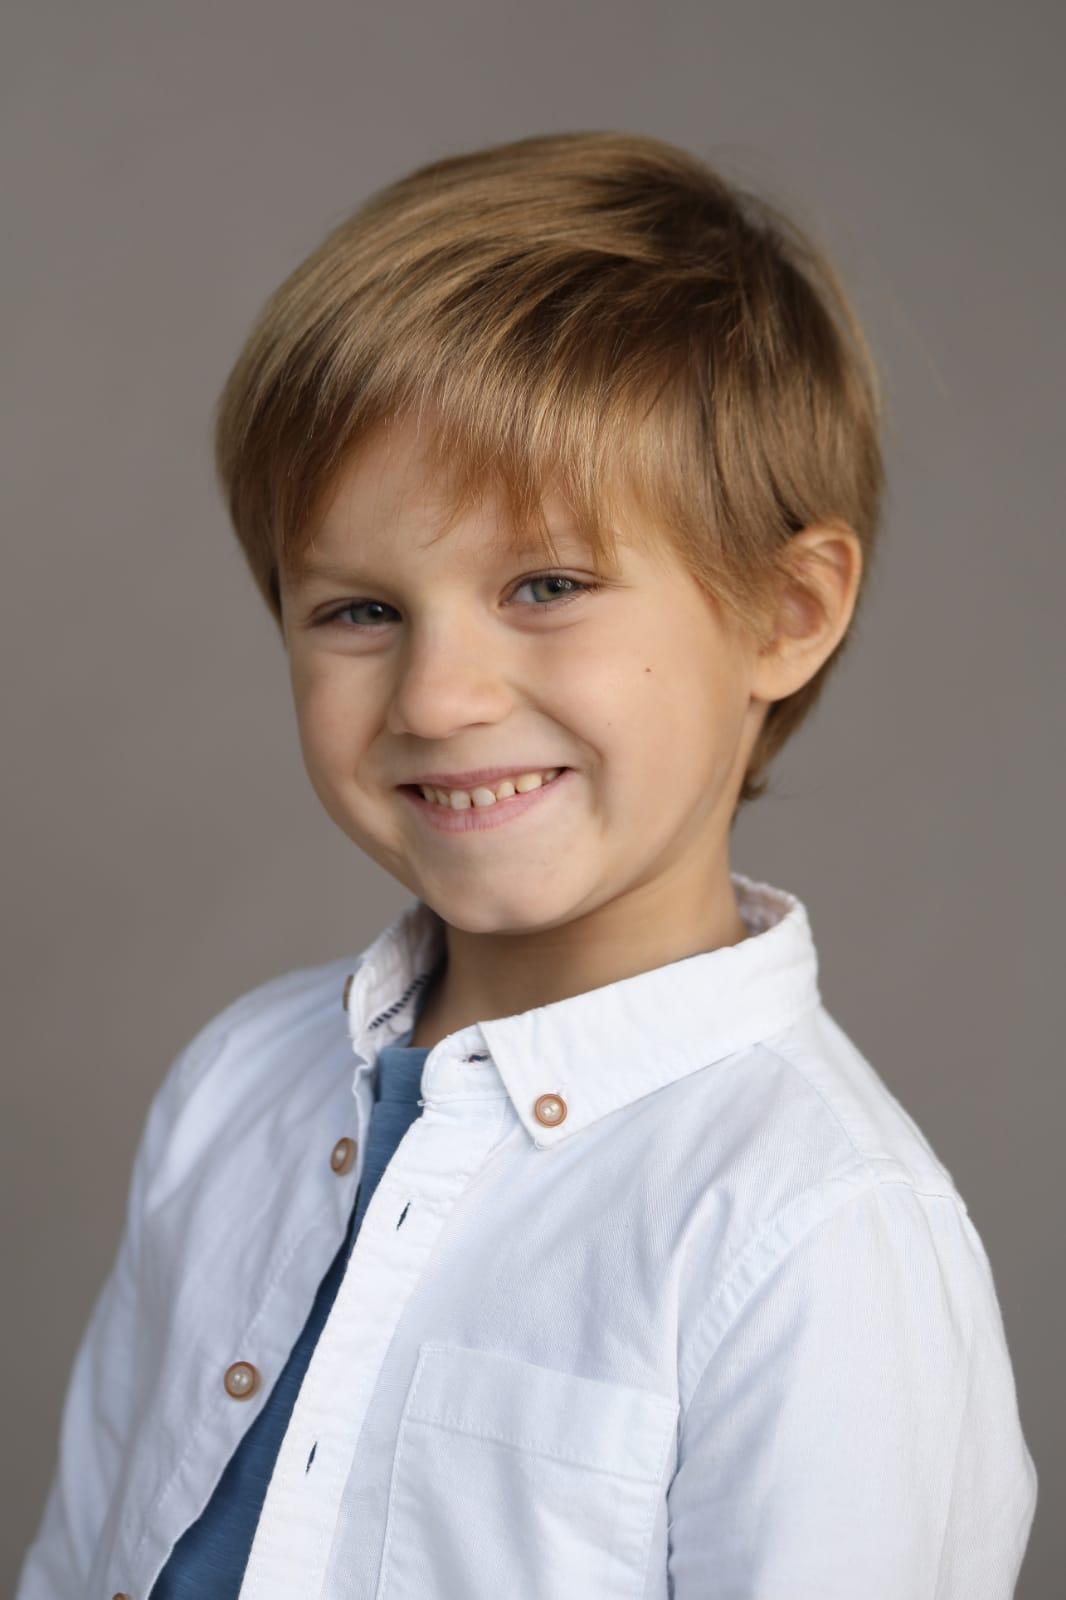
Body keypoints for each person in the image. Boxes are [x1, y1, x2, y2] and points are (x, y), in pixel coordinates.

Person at [17, 130, 1037, 1600]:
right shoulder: (235, 1087)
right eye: (359, 610)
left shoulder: (813, 1229)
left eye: (546, 586)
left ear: (783, 614)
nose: (438, 699)